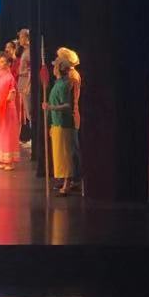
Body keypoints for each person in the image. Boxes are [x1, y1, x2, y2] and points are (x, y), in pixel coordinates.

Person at [43, 56, 76, 195]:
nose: (53, 68)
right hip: (57, 123)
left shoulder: (63, 85)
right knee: (59, 155)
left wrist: (51, 107)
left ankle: (67, 183)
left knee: (65, 154)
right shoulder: (58, 83)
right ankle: (64, 180)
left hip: (63, 124)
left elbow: (67, 105)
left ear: (59, 68)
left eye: (55, 66)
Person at [57, 46, 83, 191]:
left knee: (73, 148)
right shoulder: (66, 76)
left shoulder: (72, 76)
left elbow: (69, 99)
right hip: (66, 115)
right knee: (68, 148)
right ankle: (69, 177)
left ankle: (75, 178)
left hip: (71, 115)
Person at [0, 51, 20, 169]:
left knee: (8, 133)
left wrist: (6, 101)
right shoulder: (0, 74)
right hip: (0, 107)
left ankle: (10, 160)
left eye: (3, 62)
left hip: (8, 108)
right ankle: (2, 158)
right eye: (0, 61)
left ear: (9, 63)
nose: (0, 63)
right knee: (1, 132)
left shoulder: (9, 77)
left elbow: (12, 92)